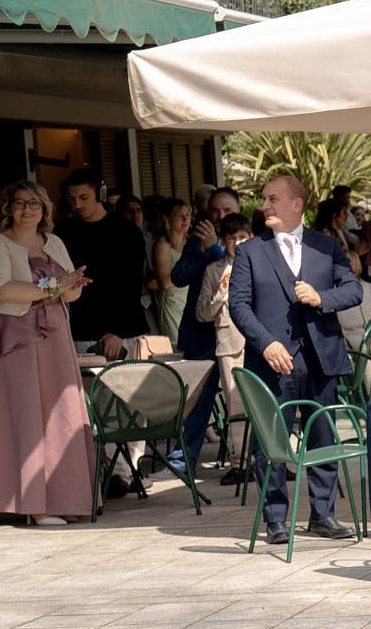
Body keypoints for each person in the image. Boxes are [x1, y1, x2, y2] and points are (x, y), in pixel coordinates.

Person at [228, 174, 363, 544]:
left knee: (323, 436)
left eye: (272, 199)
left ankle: (322, 515)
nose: (264, 206)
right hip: (273, 360)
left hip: (322, 357)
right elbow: (238, 305)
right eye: (263, 199)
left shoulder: (326, 246)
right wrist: (265, 343)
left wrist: (322, 298)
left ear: (296, 204)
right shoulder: (250, 251)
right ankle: (275, 519)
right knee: (271, 440)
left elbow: (352, 289)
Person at [0, 180, 94, 525]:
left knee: (61, 416)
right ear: (8, 209)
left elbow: (71, 293)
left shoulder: (53, 242)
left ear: (44, 209)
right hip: (16, 338)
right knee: (27, 417)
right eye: (19, 203)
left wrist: (71, 287)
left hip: (55, 335)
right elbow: (1, 288)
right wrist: (56, 285)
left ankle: (65, 498)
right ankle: (35, 506)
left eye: (34, 204)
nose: (27, 210)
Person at [57, 169, 149, 361]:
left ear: (100, 194)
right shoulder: (64, 232)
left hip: (125, 330)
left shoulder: (126, 231)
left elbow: (132, 284)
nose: (77, 204)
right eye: (72, 199)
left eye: (84, 197)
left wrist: (118, 332)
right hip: (82, 328)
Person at [193, 213, 253, 463]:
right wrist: (220, 293)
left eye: (242, 238)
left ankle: (272, 458)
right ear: (223, 241)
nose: (237, 243)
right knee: (236, 404)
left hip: (260, 343)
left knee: (268, 401)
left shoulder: (260, 263)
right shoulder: (214, 270)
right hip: (229, 345)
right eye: (232, 239)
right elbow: (201, 314)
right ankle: (241, 460)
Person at [146, 199, 194, 346]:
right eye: (180, 215)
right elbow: (165, 282)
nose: (186, 219)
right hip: (173, 303)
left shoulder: (193, 243)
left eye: (188, 214)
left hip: (191, 300)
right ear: (167, 219)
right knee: (177, 346)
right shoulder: (163, 244)